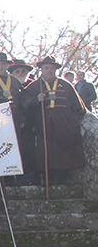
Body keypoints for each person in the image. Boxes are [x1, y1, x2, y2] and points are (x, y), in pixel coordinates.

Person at [19, 56, 87, 185]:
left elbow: (79, 108)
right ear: (41, 70)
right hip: (43, 127)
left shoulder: (66, 85)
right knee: (45, 153)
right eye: (46, 68)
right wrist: (36, 101)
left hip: (64, 126)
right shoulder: (34, 87)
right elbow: (24, 107)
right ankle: (46, 177)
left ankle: (65, 177)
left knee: (64, 153)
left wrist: (71, 122)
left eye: (52, 68)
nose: (49, 70)